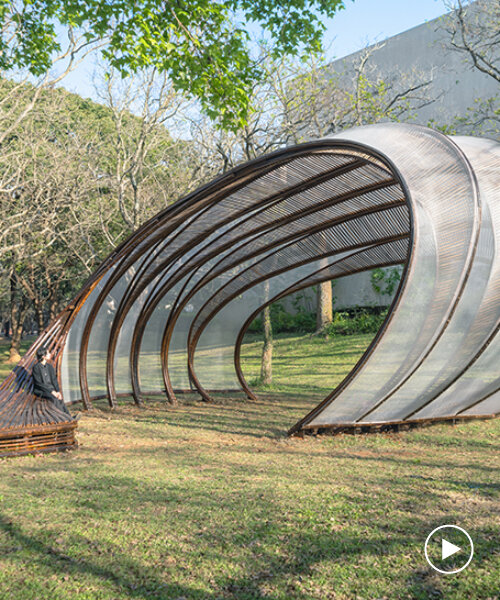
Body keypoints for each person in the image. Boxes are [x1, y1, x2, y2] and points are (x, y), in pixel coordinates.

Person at [32, 347, 77, 420]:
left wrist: (58, 391)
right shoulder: (36, 368)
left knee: (60, 399)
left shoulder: (49, 367)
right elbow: (39, 383)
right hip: (41, 390)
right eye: (48, 353)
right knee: (54, 399)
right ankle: (63, 419)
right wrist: (51, 391)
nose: (50, 354)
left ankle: (69, 417)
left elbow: (54, 380)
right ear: (43, 356)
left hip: (51, 389)